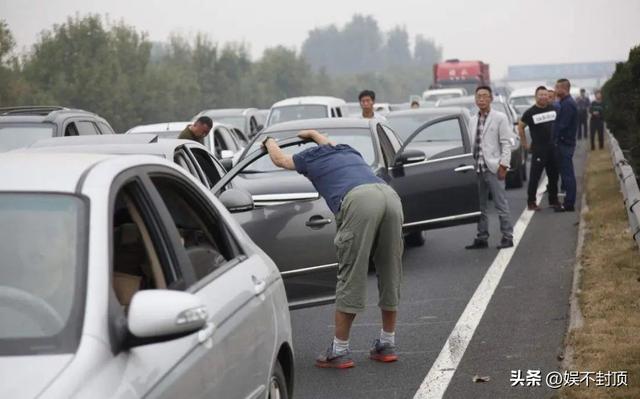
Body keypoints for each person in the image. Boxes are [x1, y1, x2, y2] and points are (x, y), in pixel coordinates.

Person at [262, 130, 404, 369]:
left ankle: (339, 350)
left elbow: (279, 159)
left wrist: (268, 141)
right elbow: (326, 142)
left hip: (360, 201)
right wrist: (313, 134)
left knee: (351, 274)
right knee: (391, 270)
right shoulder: (346, 150)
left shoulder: (309, 157)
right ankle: (387, 343)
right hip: (389, 196)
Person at [465, 86, 515, 250]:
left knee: (501, 204)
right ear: (475, 99)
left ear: (491, 98)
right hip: (477, 168)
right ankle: (482, 236)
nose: (481, 99)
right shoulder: (472, 120)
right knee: (480, 206)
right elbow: (472, 146)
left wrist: (504, 165)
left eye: (485, 96)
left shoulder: (499, 118)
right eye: (478, 96)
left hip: (494, 167)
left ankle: (507, 236)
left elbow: (506, 143)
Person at [518, 86, 560, 210]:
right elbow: (520, 127)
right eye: (540, 95)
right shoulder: (530, 112)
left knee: (554, 176)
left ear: (549, 96)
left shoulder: (554, 109)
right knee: (535, 177)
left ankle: (554, 200)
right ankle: (531, 202)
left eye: (545, 95)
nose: (543, 97)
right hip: (538, 149)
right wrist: (525, 144)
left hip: (552, 148)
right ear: (536, 97)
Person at [553, 78, 579, 212]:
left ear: (564, 89)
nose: (555, 90)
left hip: (565, 143)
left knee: (567, 174)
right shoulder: (564, 102)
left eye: (557, 88)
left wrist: (554, 137)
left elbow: (561, 125)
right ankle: (568, 202)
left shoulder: (567, 104)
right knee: (566, 174)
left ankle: (569, 204)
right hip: (565, 142)